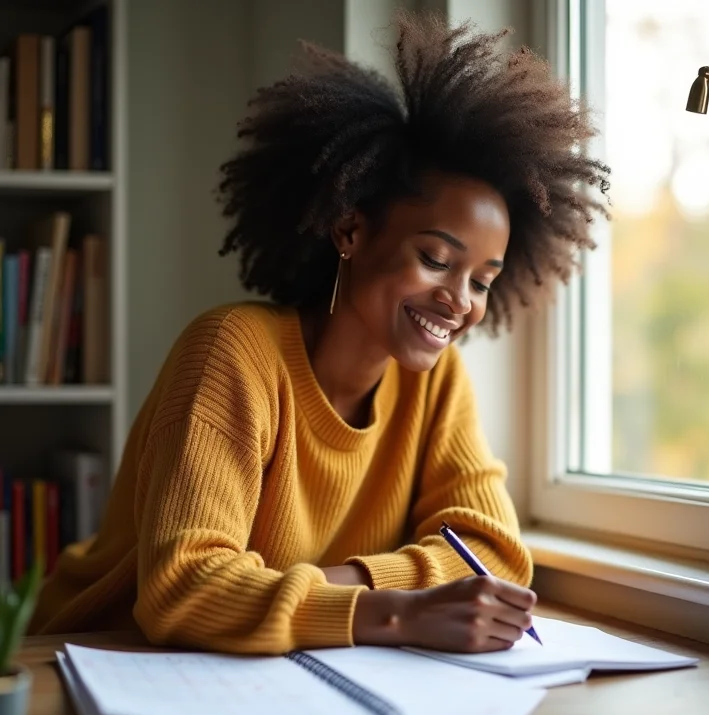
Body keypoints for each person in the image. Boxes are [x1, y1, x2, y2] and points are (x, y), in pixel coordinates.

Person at [30, 11, 608, 654]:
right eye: (437, 260)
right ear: (350, 231)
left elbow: (495, 556)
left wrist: (324, 592)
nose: (458, 302)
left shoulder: (438, 382)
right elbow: (183, 589)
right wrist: (395, 612)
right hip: (100, 661)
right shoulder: (232, 352)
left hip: (286, 667)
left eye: (482, 281)